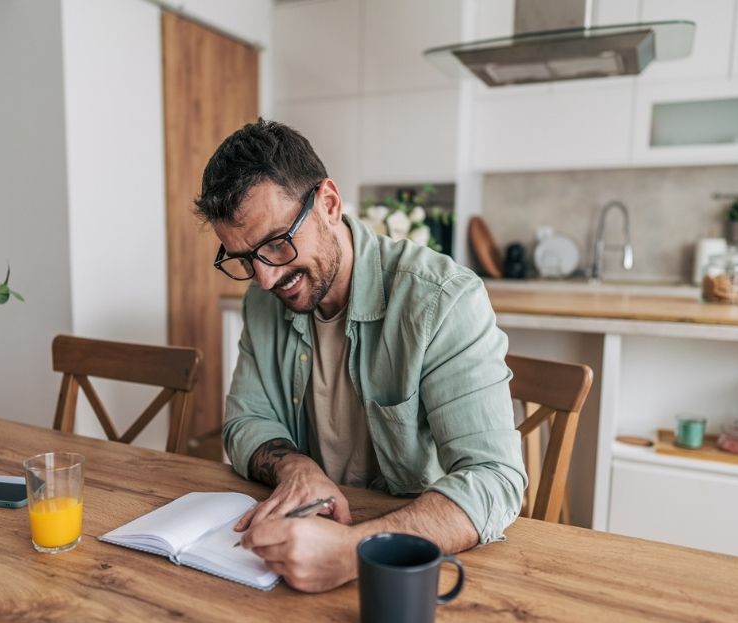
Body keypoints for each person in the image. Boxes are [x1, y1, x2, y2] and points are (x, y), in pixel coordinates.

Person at [195, 119, 526, 593]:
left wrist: (356, 551)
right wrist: (297, 468)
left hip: (418, 564)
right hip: (305, 544)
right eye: (245, 259)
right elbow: (246, 421)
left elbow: (494, 479)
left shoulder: (441, 300)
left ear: (329, 203)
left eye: (275, 244)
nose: (264, 279)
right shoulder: (263, 300)